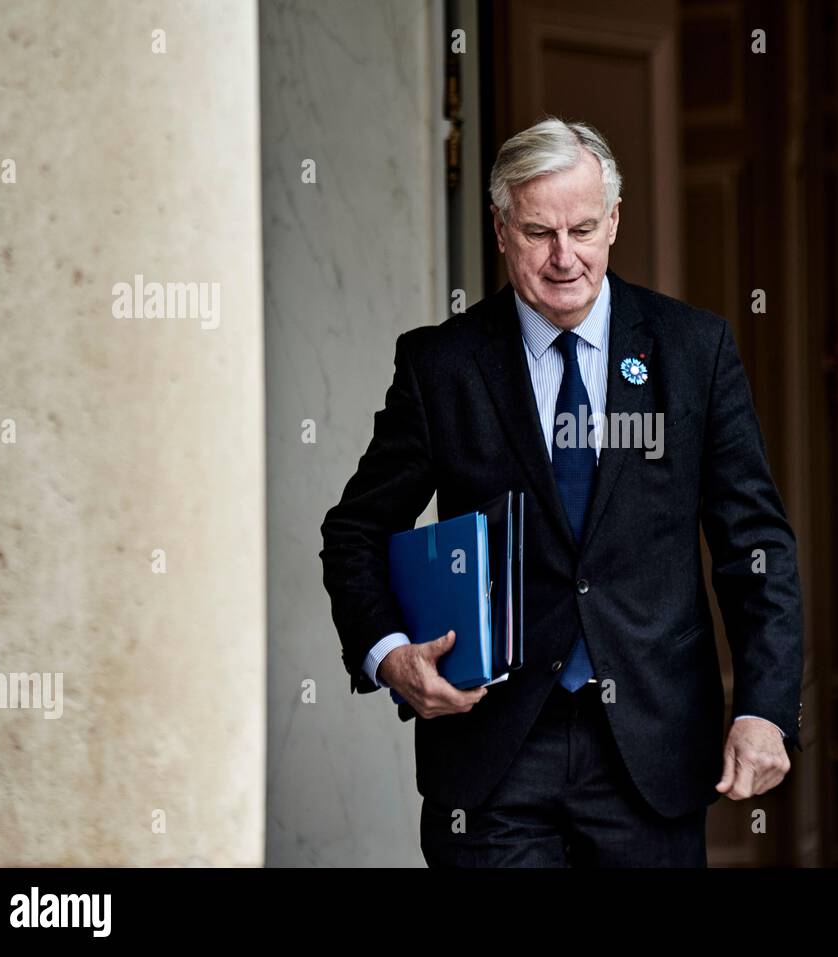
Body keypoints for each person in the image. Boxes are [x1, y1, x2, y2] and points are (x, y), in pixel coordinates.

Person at [319, 117, 804, 867]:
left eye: (583, 227)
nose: (564, 256)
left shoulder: (692, 350)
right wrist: (389, 654)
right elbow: (355, 530)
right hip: (494, 755)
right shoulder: (440, 365)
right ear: (501, 227)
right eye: (539, 231)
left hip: (651, 751)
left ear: (613, 220)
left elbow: (757, 547)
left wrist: (766, 708)